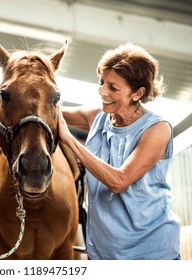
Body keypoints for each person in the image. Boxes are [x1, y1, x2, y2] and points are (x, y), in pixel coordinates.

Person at [58, 42, 181, 260]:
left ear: (138, 93)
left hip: (151, 254)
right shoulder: (97, 116)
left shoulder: (157, 129)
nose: (103, 91)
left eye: (113, 88)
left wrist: (70, 140)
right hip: (105, 252)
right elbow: (52, 111)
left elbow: (118, 181)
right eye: (102, 82)